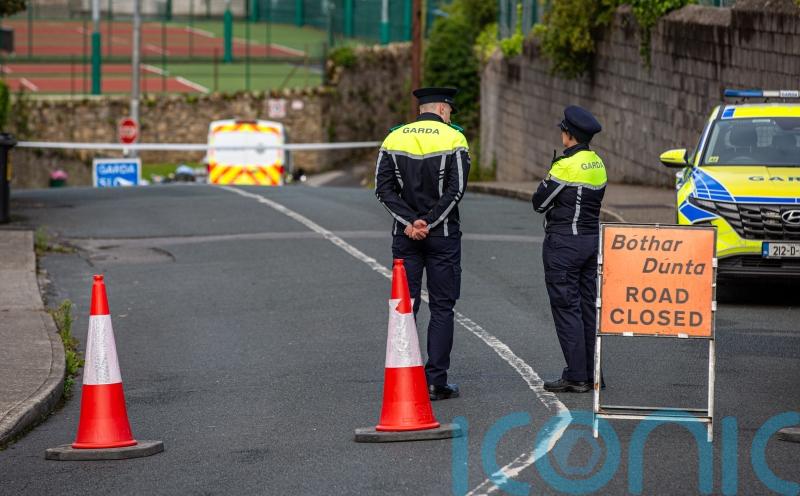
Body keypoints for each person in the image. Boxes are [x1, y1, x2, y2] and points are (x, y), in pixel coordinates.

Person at [375, 87, 470, 401]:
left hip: (405, 237)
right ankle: (435, 381)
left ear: (422, 109)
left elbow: (383, 190)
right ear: (443, 109)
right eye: (450, 111)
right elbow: (456, 190)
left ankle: (407, 378)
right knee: (442, 307)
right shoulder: (454, 139)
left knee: (406, 307)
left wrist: (410, 222)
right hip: (442, 235)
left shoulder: (394, 139)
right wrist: (429, 222)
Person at [532, 105, 607, 393]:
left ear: (570, 135)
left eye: (563, 130)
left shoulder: (565, 166)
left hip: (564, 243)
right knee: (588, 307)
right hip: (591, 242)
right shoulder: (598, 163)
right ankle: (593, 371)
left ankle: (576, 376)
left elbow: (539, 202)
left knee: (567, 308)